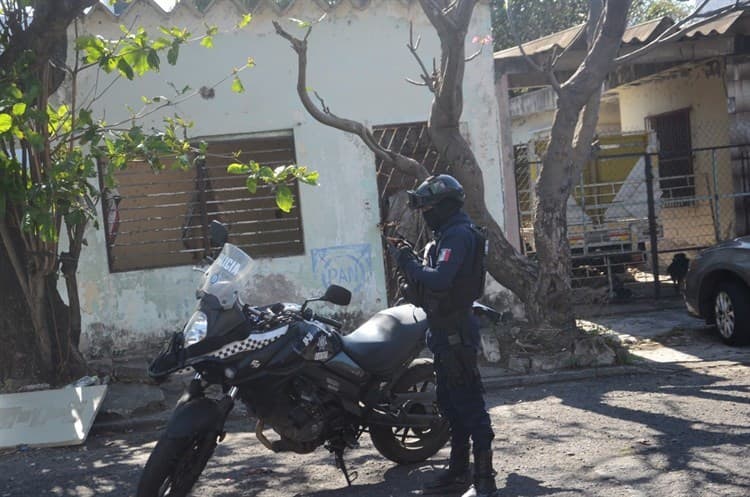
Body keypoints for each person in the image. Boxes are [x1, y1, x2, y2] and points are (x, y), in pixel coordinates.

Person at [388, 174, 498, 497]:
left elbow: (439, 280)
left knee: (471, 406)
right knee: (451, 406)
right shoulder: (448, 233)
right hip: (444, 332)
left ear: (445, 206)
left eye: (429, 207)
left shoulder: (458, 236)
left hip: (455, 335)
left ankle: (484, 480)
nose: (425, 214)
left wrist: (406, 261)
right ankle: (458, 471)